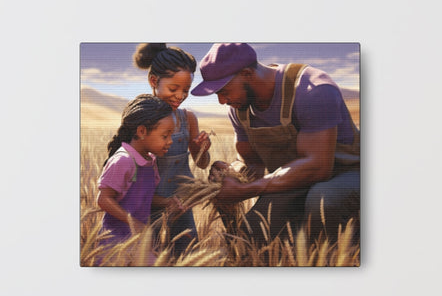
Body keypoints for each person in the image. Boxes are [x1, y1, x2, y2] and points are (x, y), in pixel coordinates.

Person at [190, 42, 360, 243]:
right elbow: (251, 164)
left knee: (323, 201)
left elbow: (318, 168)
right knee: (252, 236)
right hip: (293, 181)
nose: (221, 101)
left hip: (346, 173)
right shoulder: (240, 108)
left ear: (247, 73)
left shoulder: (313, 90)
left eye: (224, 90)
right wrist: (229, 175)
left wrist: (244, 191)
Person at [133, 43, 211, 256]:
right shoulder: (140, 118)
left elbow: (201, 163)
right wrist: (162, 202)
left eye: (185, 90)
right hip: (149, 203)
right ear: (153, 81)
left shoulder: (188, 119)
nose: (180, 96)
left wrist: (201, 149)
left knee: (188, 249)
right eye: (173, 89)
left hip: (182, 201)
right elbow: (130, 170)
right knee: (149, 252)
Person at [95, 94, 176, 263]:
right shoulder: (123, 161)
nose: (170, 142)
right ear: (141, 131)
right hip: (114, 244)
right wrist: (133, 222)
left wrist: (167, 203)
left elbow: (141, 196)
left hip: (138, 241)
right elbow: (103, 199)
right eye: (165, 136)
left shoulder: (150, 160)